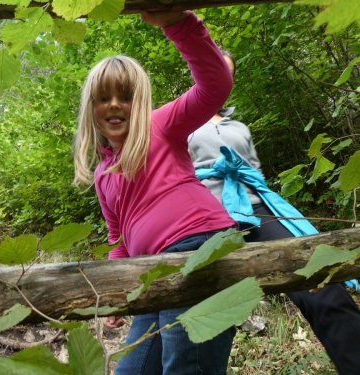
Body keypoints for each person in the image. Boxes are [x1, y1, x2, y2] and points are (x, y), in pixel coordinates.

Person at [73, 9, 238, 375]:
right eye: (104, 97)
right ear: (92, 109)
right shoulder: (102, 175)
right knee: (131, 370)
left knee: (186, 366)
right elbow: (119, 241)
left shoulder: (159, 125)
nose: (114, 104)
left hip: (197, 249)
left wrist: (177, 23)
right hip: (148, 275)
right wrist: (118, 295)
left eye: (125, 95)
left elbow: (215, 86)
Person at [188, 51, 360, 375]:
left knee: (319, 282)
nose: (218, 78)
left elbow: (254, 171)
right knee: (203, 315)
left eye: (226, 74)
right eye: (211, 68)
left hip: (259, 211)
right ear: (197, 70)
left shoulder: (239, 126)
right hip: (207, 217)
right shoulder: (180, 119)